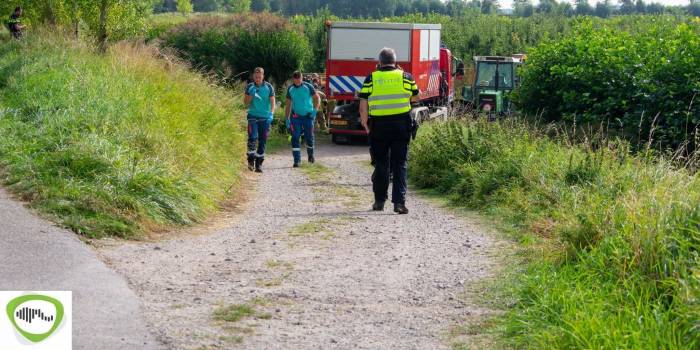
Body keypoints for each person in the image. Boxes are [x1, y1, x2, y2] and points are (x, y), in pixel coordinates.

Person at [359, 47, 419, 215]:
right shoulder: (406, 77)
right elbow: (416, 97)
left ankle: (379, 202)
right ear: (395, 62)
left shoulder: (372, 77)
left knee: (381, 164)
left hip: (379, 127)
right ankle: (399, 203)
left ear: (379, 62)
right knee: (400, 164)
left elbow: (363, 102)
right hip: (401, 125)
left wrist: (365, 123)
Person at [285, 71, 320, 167]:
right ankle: (297, 160)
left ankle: (310, 155)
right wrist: (287, 118)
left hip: (308, 116)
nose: (297, 81)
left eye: (299, 79)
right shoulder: (290, 89)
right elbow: (288, 105)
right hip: (296, 117)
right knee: (295, 137)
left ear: (301, 78)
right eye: (295, 79)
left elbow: (317, 99)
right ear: (293, 79)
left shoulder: (308, 87)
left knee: (309, 137)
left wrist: (315, 110)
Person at [244, 67, 275, 173]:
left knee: (262, 140)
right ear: (253, 76)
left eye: (259, 77)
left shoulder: (269, 87)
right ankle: (250, 161)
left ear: (263, 76)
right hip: (252, 116)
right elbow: (245, 103)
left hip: (265, 118)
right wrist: (251, 94)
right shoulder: (250, 87)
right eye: (256, 77)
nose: (257, 78)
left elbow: (272, 102)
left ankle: (259, 164)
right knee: (252, 139)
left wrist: (271, 113)